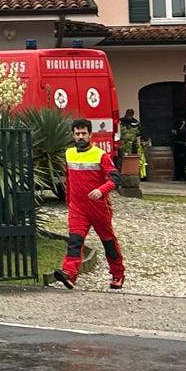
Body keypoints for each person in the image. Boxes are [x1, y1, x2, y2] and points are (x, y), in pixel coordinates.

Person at [47, 118, 126, 291]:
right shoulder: (69, 154)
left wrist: (101, 190)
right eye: (77, 134)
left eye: (84, 133)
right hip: (77, 207)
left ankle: (118, 274)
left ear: (90, 135)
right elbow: (68, 180)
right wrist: (68, 202)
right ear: (73, 135)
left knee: (108, 242)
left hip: (98, 207)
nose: (81, 136)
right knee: (74, 242)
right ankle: (69, 274)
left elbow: (116, 178)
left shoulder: (100, 155)